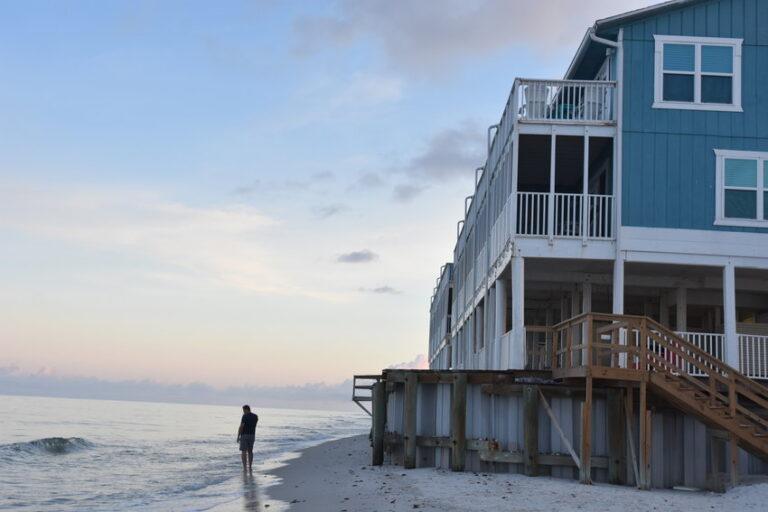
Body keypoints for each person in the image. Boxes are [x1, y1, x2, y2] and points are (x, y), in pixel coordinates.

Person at [236, 405, 258, 471]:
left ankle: (245, 468)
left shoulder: (245, 416)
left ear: (246, 409)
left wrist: (238, 436)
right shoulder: (255, 416)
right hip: (252, 435)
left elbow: (241, 426)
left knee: (243, 451)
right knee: (250, 451)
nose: (243, 412)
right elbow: (254, 426)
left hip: (245, 435)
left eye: (243, 410)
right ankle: (250, 467)